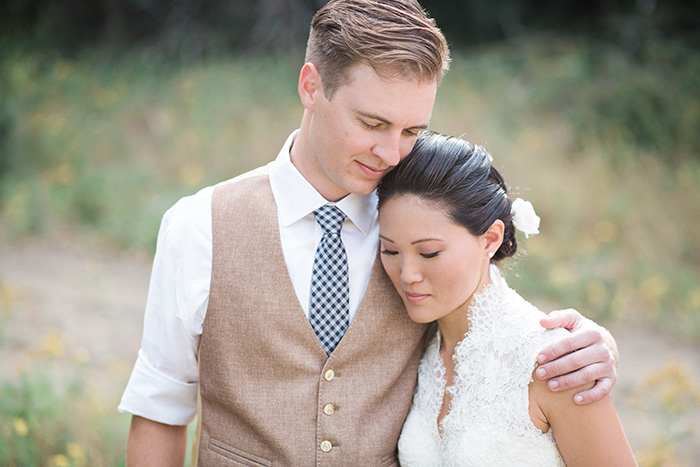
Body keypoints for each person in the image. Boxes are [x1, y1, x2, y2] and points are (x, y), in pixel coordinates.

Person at [119, 1, 620, 465]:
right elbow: (160, 412)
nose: (392, 154)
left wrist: (592, 344)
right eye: (372, 122)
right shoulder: (198, 225)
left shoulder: (413, 223)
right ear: (312, 86)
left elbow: (482, 309)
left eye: (411, 132)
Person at [377, 132, 636, 466]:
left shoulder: (556, 360)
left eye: (429, 252)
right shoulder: (420, 346)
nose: (407, 273)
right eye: (390, 249)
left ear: (490, 239)